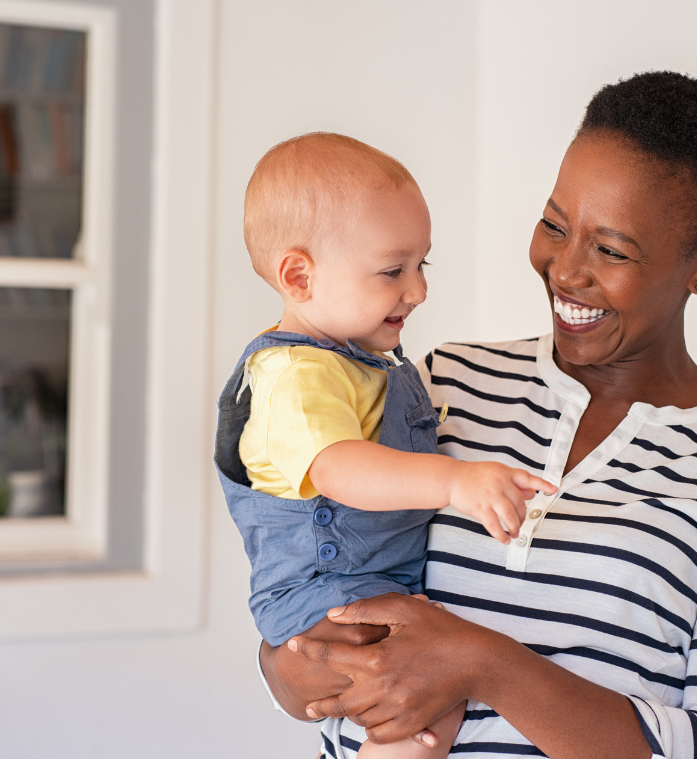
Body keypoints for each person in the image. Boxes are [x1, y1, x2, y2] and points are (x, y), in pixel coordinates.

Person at [257, 72, 697, 759]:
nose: (565, 268)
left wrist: (486, 663)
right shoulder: (438, 384)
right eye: (554, 225)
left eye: (612, 250)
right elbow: (316, 555)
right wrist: (284, 667)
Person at [215, 132, 557, 759]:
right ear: (299, 276)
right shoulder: (296, 375)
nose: (418, 290)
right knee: (427, 690)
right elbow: (342, 469)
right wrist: (456, 483)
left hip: (367, 585)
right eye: (393, 270)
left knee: (429, 686)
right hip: (326, 592)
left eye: (423, 265)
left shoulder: (365, 362)